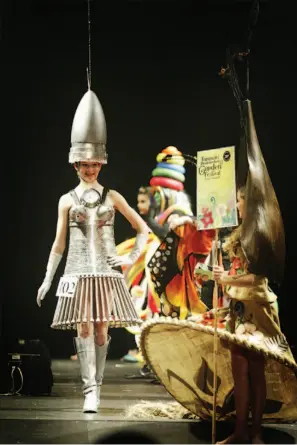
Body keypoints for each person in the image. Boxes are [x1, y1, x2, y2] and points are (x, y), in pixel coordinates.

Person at [36, 89, 149, 413]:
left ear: (101, 164)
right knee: (83, 326)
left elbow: (142, 229)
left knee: (101, 328)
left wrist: (129, 258)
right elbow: (59, 242)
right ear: (76, 165)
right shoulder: (67, 200)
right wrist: (47, 278)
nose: (91, 170)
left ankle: (96, 387)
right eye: (85, 165)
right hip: (77, 271)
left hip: (106, 274)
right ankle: (89, 390)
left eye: (95, 165)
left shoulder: (112, 196)